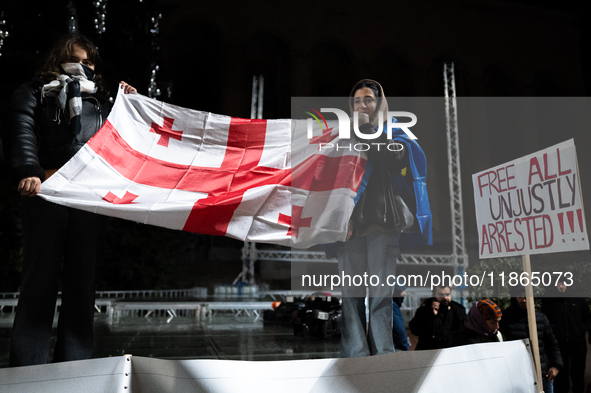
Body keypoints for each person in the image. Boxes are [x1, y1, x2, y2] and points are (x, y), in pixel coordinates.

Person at [3, 33, 136, 366]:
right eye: (78, 60)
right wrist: (29, 169)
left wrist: (129, 106)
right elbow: (20, 129)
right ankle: (27, 366)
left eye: (90, 62)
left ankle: (74, 364)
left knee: (82, 283)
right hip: (46, 188)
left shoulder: (100, 102)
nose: (84, 67)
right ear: (59, 59)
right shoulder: (35, 91)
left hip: (88, 198)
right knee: (39, 279)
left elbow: (121, 141)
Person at [333, 79, 432, 358]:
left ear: (380, 103)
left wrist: (366, 130)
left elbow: (396, 159)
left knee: (380, 296)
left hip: (384, 225)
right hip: (349, 227)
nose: (362, 105)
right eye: (356, 101)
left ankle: (383, 353)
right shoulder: (340, 137)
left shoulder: (396, 132)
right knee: (350, 296)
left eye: (368, 100)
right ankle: (355, 354)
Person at [501, 287, 563, 393]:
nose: (523, 300)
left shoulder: (541, 318)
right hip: (518, 378)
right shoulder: (506, 319)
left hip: (543, 376)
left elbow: (552, 344)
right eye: (520, 296)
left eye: (526, 296)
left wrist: (556, 366)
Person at [541, 281, 591, 393]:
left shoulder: (578, 299)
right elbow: (546, 320)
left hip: (578, 342)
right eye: (558, 284)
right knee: (561, 373)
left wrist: (580, 329)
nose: (560, 286)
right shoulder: (550, 300)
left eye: (562, 283)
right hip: (559, 344)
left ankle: (578, 390)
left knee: (578, 371)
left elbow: (588, 318)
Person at [409, 284, 466, 350]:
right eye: (441, 295)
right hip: (429, 351)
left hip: (450, 353)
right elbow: (414, 330)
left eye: (447, 295)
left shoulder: (458, 311)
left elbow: (463, 334)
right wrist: (429, 315)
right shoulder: (424, 310)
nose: (445, 298)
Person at [392, 284, 410, 351]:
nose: (404, 293)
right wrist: (404, 346)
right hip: (397, 349)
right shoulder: (393, 307)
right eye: (402, 290)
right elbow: (399, 330)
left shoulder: (392, 306)